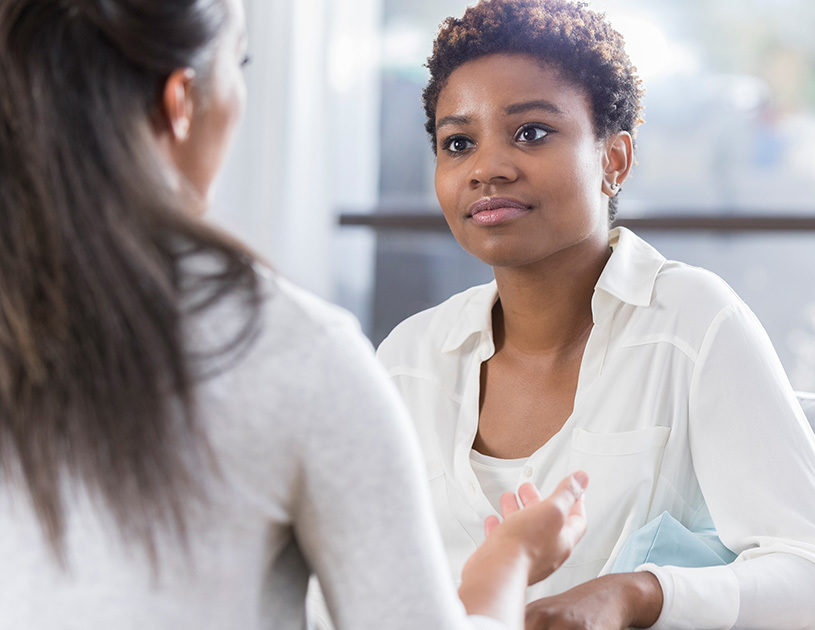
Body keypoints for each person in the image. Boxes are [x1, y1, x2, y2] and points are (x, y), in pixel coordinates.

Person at [0, 1, 587, 628]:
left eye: (530, 132)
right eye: (240, 64)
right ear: (181, 100)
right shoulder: (293, 353)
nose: (488, 170)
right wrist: (507, 560)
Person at [375, 0, 815, 628]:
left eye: (530, 132)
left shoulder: (692, 323)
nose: (487, 168)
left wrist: (638, 594)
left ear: (613, 160)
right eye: (459, 143)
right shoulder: (407, 361)